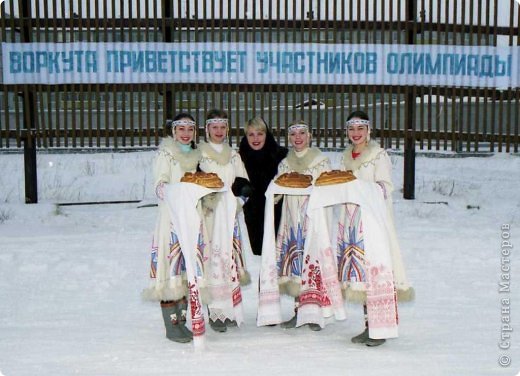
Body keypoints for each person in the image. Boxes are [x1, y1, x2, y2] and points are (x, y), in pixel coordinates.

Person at [338, 110, 414, 346]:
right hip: (353, 222)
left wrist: (358, 186)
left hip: (373, 222)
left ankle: (380, 329)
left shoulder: (378, 155)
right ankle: (369, 325)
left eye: (360, 129)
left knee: (375, 272)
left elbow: (384, 187)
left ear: (368, 130)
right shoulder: (345, 157)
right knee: (361, 275)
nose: (356, 133)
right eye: (352, 129)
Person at [142, 113, 201, 343]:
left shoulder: (197, 156)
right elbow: (160, 184)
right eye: (181, 129)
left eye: (189, 129)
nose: (185, 134)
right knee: (170, 268)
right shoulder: (165, 154)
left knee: (187, 271)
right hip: (170, 219)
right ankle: (171, 325)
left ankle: (183, 321)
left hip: (190, 220)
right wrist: (173, 190)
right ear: (173, 132)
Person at [271, 120, 331, 330]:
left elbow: (327, 188)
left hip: (312, 220)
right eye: (293, 134)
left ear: (310, 136)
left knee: (313, 262)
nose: (298, 138)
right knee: (296, 263)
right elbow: (277, 190)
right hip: (291, 220)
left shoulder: (320, 161)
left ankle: (316, 314)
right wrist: (274, 192)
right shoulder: (285, 164)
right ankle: (298, 311)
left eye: (302, 133)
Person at [198, 109, 252, 333]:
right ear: (207, 129)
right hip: (209, 215)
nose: (219, 131)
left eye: (222, 127)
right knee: (211, 259)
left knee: (228, 260)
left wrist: (240, 200)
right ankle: (214, 311)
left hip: (229, 215)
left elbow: (243, 182)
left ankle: (229, 309)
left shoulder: (233, 155)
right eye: (214, 127)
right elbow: (193, 179)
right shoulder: (199, 153)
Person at [238, 116, 288, 256]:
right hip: (252, 215)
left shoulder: (281, 155)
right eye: (251, 134)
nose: (256, 138)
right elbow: (235, 181)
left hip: (276, 212)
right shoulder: (239, 157)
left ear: (267, 134)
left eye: (260, 133)